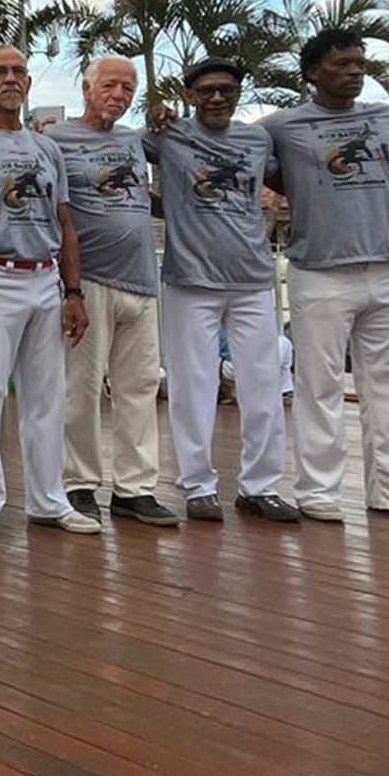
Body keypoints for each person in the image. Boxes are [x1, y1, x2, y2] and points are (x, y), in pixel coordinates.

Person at [260, 30, 389, 524]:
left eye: (359, 64)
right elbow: (241, 155)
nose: (354, 72)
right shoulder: (282, 124)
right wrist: (301, 188)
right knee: (319, 385)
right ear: (312, 73)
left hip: (385, 269)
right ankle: (318, 490)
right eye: (342, 64)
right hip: (319, 272)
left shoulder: (385, 118)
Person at [0, 45, 97, 539]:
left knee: (48, 398)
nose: (11, 79)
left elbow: (64, 223)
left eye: (19, 72)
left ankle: (48, 500)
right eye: (0, 72)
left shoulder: (47, 150)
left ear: (29, 84)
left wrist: (74, 292)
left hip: (45, 278)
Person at [145, 58, 298, 523]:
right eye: (206, 90)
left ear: (238, 94)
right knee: (193, 386)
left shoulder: (257, 139)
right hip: (191, 281)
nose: (216, 98)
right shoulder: (168, 136)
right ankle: (197, 486)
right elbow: (119, 151)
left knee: (264, 384)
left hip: (252, 278)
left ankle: (260, 486)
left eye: (226, 90)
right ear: (189, 95)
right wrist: (154, 115)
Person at [44, 56, 172, 526]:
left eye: (128, 88)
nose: (119, 95)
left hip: (141, 280)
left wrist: (163, 119)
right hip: (89, 281)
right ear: (86, 88)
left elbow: (173, 140)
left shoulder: (134, 140)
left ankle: (135, 488)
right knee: (80, 388)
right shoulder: (55, 139)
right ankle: (78, 482)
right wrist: (69, 288)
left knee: (140, 386)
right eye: (110, 85)